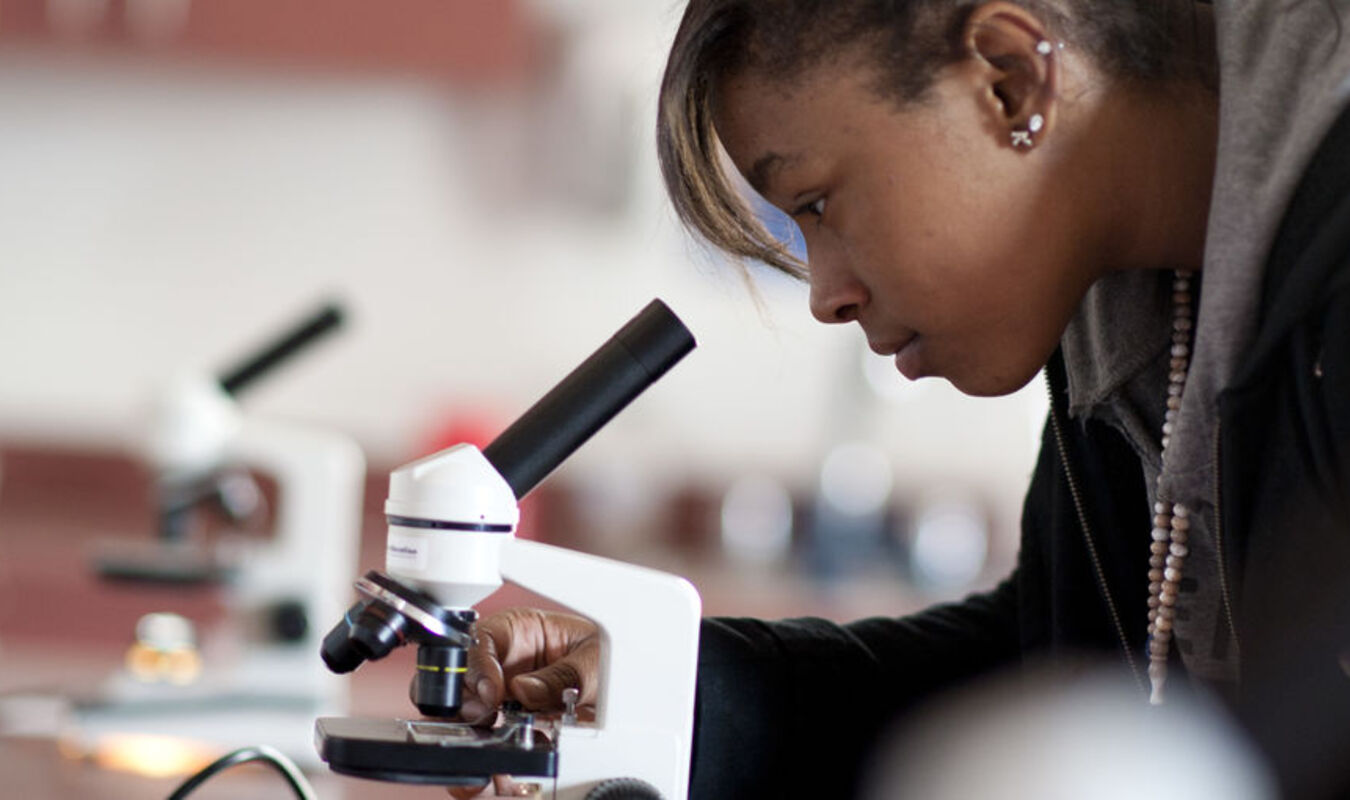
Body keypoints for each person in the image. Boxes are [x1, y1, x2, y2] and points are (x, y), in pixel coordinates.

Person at [455, 1, 1350, 797]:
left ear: (1008, 80)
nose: (825, 294)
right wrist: (676, 698)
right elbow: (1056, 671)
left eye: (817, 202)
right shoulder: (1132, 310)